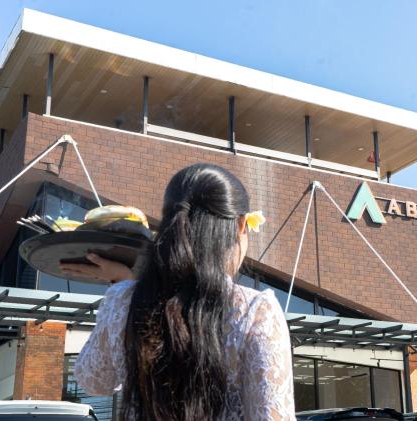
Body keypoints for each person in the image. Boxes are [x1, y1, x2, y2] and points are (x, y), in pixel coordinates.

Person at [63, 163, 296, 421]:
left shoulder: (124, 300)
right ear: (241, 225)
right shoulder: (256, 312)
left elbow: (94, 380)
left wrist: (122, 285)